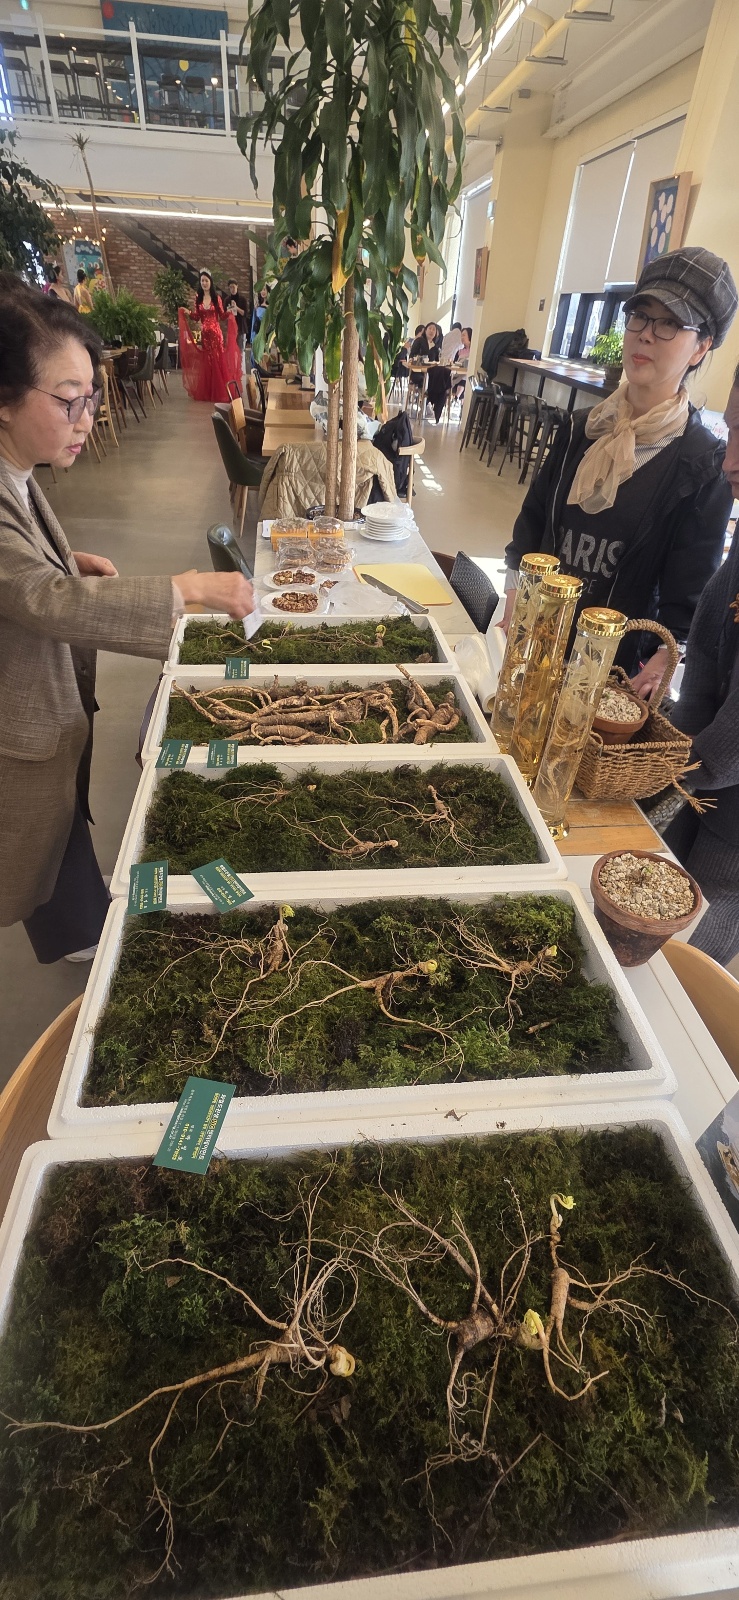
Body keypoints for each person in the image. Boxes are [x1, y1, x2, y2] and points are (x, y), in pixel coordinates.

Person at [0, 272, 254, 963]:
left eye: (91, 398)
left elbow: (28, 576)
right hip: (20, 721)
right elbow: (43, 600)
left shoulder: (19, 471)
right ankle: (80, 940)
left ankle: (79, 926)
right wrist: (188, 589)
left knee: (62, 825)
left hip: (47, 718)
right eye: (68, 400)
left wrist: (62, 560)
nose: (86, 418)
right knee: (38, 836)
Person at [502, 247, 738, 687]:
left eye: (669, 323)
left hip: (612, 674)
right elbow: (532, 524)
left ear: (701, 346)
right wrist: (516, 597)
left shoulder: (703, 466)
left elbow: (686, 598)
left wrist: (664, 658)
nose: (646, 334)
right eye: (640, 316)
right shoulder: (583, 428)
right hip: (535, 644)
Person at [662, 363, 739, 966]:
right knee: (665, 876)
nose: (730, 462)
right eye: (733, 433)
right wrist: (681, 750)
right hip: (707, 779)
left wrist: (678, 767)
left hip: (735, 828)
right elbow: (712, 637)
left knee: (691, 956)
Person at [178, 268, 240, 404]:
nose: (204, 283)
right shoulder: (198, 298)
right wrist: (188, 312)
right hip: (205, 335)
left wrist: (230, 312)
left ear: (210, 282)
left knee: (217, 361)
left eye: (206, 280)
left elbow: (222, 316)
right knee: (207, 362)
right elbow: (196, 317)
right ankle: (209, 391)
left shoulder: (216, 298)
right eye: (202, 281)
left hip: (216, 335)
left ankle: (221, 391)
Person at [226, 277, 248, 361]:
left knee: (240, 351)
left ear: (237, 286)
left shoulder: (242, 299)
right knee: (231, 352)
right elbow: (224, 315)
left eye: (233, 287)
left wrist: (236, 308)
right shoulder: (227, 300)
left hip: (241, 328)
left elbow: (245, 314)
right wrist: (228, 311)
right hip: (231, 329)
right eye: (230, 287)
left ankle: (241, 367)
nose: (232, 289)